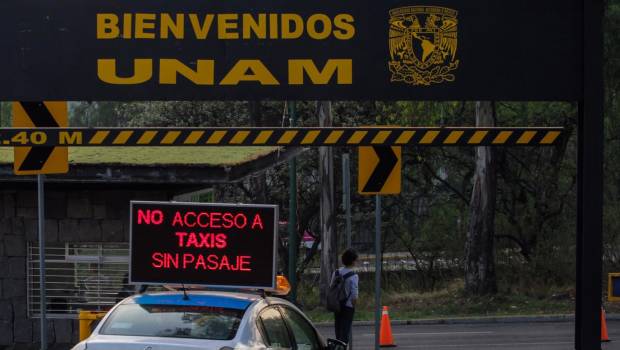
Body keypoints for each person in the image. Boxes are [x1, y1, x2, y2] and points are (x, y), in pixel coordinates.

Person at [332, 249, 359, 345]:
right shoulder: (354, 275)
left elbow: (332, 287)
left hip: (337, 305)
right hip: (348, 307)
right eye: (356, 260)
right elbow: (354, 295)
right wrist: (354, 306)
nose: (357, 262)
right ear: (352, 261)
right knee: (345, 333)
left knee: (338, 331)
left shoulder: (336, 272)